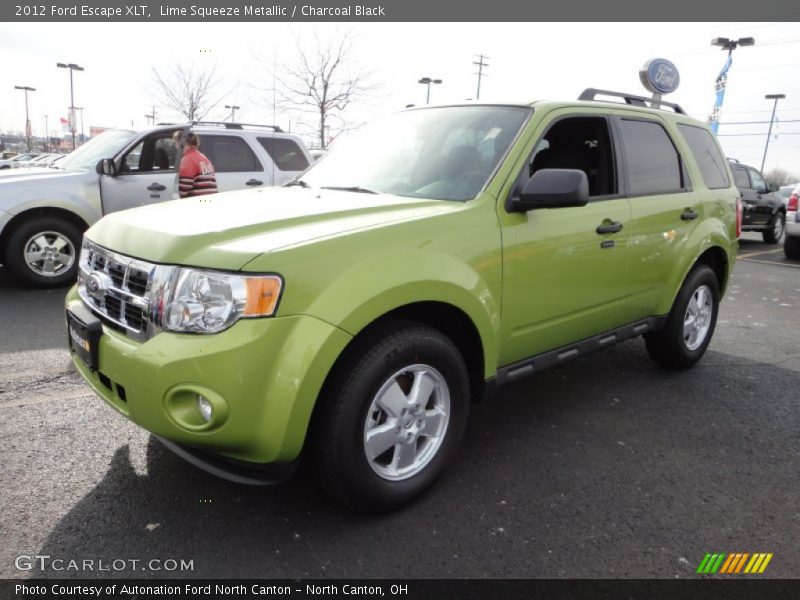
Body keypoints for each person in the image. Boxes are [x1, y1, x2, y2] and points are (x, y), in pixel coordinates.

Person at [173, 131, 218, 198]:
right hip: (209, 200)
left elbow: (183, 191)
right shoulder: (203, 157)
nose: (175, 146)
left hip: (198, 202)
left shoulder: (187, 159)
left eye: (175, 142)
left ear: (181, 143)